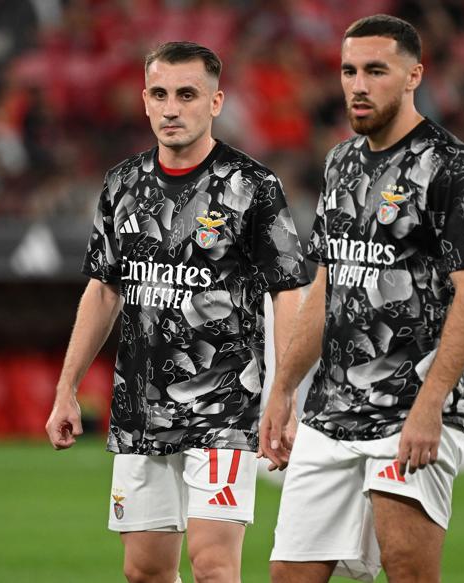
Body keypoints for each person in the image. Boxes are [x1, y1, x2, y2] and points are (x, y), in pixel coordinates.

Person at [45, 41, 309, 583]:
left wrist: (283, 393)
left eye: (187, 95)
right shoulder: (122, 184)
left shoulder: (253, 187)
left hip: (223, 408)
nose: (171, 108)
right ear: (144, 100)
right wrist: (66, 387)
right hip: (139, 409)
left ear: (215, 102)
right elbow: (104, 290)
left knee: (213, 566)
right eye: (160, 94)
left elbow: (288, 292)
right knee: (143, 572)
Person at [260, 15, 464, 583]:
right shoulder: (339, 163)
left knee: (407, 569)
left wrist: (432, 403)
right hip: (330, 411)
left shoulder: (453, 166)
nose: (358, 85)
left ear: (414, 76)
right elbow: (326, 285)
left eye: (375, 71)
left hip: (408, 408)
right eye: (349, 71)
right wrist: (284, 386)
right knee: (289, 575)